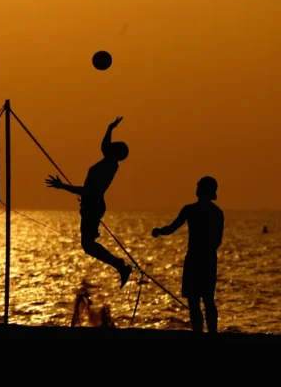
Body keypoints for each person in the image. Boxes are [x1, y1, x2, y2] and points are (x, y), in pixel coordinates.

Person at [46, 117, 133, 288]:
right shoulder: (107, 160)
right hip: (90, 205)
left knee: (88, 245)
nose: (110, 146)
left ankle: (120, 266)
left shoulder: (109, 166)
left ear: (116, 153)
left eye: (114, 146)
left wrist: (62, 187)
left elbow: (89, 191)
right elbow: (104, 146)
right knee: (88, 244)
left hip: (94, 205)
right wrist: (110, 128)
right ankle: (119, 265)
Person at [152, 176, 225, 334]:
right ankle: (204, 332)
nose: (197, 188)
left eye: (199, 186)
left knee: (204, 300)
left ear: (205, 190)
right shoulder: (213, 212)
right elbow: (172, 228)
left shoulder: (201, 211)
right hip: (203, 259)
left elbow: (172, 228)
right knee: (199, 300)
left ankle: (207, 332)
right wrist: (160, 231)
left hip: (199, 259)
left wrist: (160, 231)